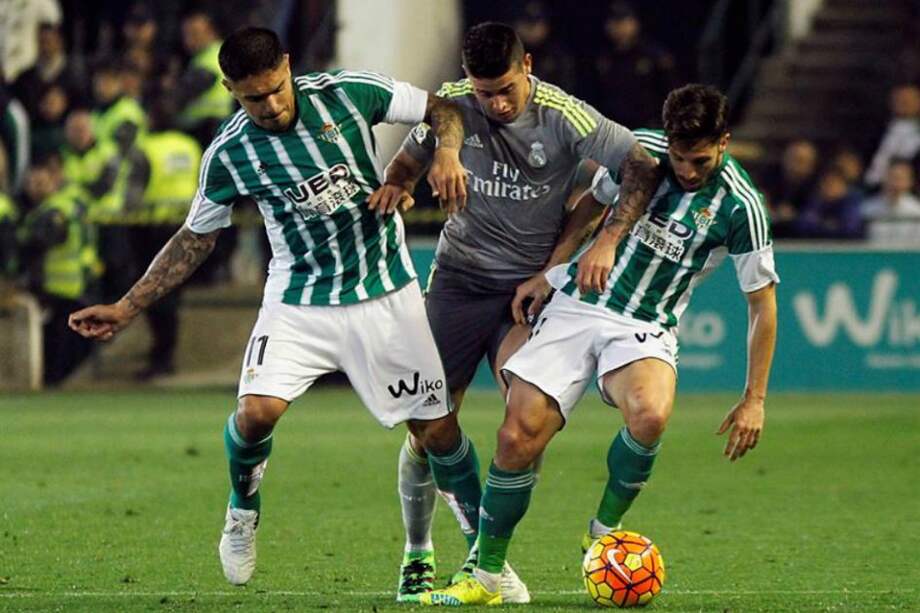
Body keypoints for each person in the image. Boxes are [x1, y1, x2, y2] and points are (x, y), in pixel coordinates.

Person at [68, 26, 471, 588]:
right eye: (254, 97)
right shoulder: (230, 153)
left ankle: (486, 559)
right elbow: (195, 238)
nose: (272, 105)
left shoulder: (349, 93)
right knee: (255, 413)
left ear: (287, 65)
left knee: (438, 431)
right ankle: (241, 512)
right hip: (298, 296)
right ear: (231, 89)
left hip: (383, 287)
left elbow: (442, 109)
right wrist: (127, 306)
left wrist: (444, 155)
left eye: (278, 88)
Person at [420, 84, 779, 606]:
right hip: (578, 305)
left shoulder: (741, 207)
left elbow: (762, 305)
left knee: (650, 415)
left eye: (699, 160)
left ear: (724, 142)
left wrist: (755, 399)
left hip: (645, 323)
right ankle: (488, 576)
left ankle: (601, 529)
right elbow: (592, 202)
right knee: (517, 437)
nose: (686, 170)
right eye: (679, 158)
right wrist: (550, 270)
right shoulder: (643, 153)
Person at [377, 22, 663, 604]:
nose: (497, 103)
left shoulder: (566, 115)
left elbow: (640, 165)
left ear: (528, 65)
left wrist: (602, 243)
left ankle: (486, 563)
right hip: (457, 283)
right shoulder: (451, 110)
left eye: (506, 88)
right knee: (427, 425)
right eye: (485, 93)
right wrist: (400, 189)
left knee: (524, 423)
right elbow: (402, 168)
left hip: (525, 295)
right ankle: (421, 550)